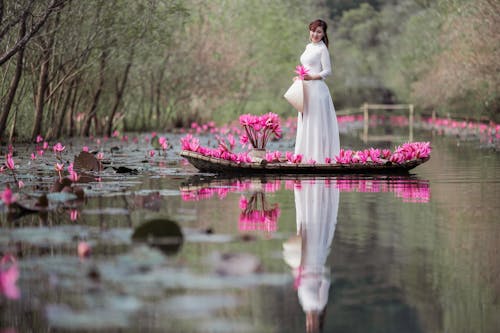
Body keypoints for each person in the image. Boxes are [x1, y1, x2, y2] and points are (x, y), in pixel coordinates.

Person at [283, 179, 340, 332]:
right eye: (312, 327)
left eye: (308, 327)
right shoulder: (320, 304)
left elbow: (299, 283)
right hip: (315, 260)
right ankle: (315, 199)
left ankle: (309, 198)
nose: (310, 324)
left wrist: (296, 268)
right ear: (317, 325)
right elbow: (326, 280)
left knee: (305, 229)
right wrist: (314, 272)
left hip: (303, 261)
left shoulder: (305, 305)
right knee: (313, 231)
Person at [294, 19, 340, 163]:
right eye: (313, 30)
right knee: (305, 120)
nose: (315, 34)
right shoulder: (308, 47)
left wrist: (311, 77)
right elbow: (306, 67)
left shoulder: (322, 49)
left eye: (319, 32)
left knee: (315, 122)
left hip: (317, 90)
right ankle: (306, 156)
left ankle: (318, 158)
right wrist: (300, 78)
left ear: (323, 34)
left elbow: (327, 71)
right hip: (305, 89)